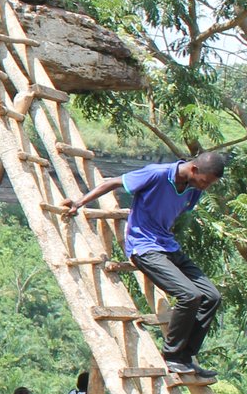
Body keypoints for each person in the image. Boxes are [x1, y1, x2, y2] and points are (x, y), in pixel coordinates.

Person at [62, 150, 228, 378]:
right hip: (144, 247)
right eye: (205, 181)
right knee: (189, 295)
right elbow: (114, 182)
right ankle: (171, 356)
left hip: (168, 246)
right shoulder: (157, 174)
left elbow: (173, 212)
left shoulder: (194, 189)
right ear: (194, 169)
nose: (205, 187)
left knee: (211, 296)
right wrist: (79, 202)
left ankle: (185, 357)